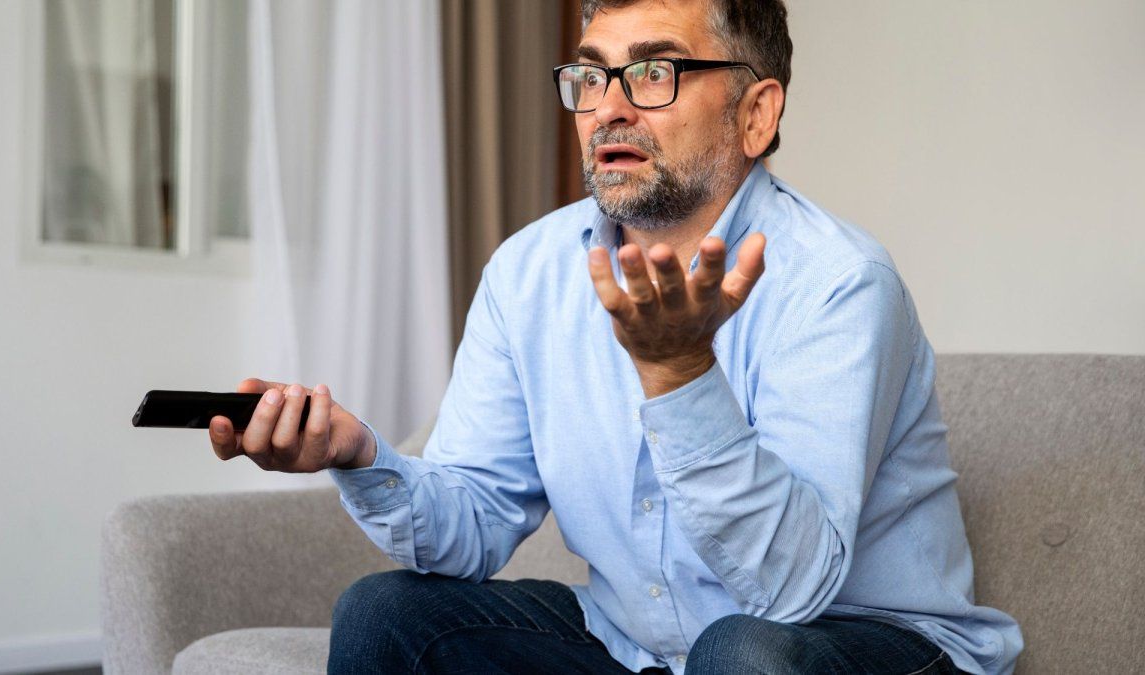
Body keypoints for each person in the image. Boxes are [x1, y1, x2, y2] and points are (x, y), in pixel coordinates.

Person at [208, 0, 1023, 672]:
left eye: (654, 72)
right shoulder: (527, 273)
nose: (609, 108)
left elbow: (791, 591)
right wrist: (357, 454)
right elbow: (475, 522)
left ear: (755, 114)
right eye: (592, 74)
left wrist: (681, 375)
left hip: (865, 643)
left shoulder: (838, 282)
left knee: (742, 652)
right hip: (639, 647)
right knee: (385, 614)